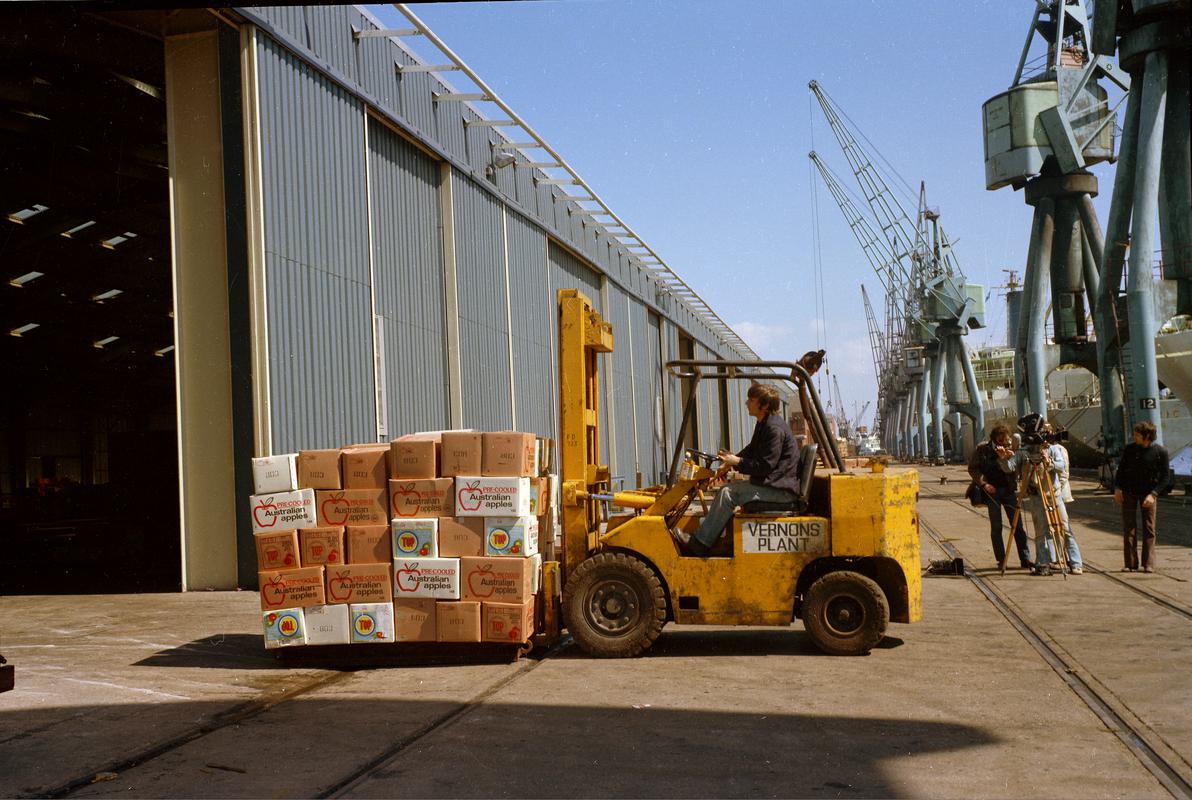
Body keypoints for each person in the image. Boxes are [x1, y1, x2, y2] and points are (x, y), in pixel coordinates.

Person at [684, 384, 800, 557]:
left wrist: (736, 461)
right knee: (726, 491)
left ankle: (700, 544)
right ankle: (715, 538)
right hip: (775, 485)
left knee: (727, 494)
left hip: (782, 491)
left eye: (751, 400)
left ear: (765, 405)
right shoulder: (764, 424)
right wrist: (729, 464)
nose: (747, 403)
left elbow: (765, 466)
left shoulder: (773, 429)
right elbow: (751, 450)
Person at [1000, 425, 1083, 576]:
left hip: (1054, 495)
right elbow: (1009, 468)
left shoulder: (1052, 449)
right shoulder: (1023, 452)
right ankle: (1043, 563)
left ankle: (1076, 563)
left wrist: (1048, 461)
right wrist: (1003, 458)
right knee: (1041, 531)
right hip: (1036, 496)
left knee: (1064, 528)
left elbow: (1061, 466)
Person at [967, 424, 1033, 569]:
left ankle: (1025, 558)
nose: (1004, 443)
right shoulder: (982, 449)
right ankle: (1001, 559)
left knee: (1018, 526)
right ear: (995, 439)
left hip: (1008, 490)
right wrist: (983, 484)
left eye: (1006, 440)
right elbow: (973, 468)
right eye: (1001, 441)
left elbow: (1016, 467)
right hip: (992, 492)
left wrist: (1009, 459)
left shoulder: (1011, 449)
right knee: (996, 527)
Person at [1114, 421, 1172, 572]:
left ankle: (1148, 564)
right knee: (1129, 528)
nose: (1134, 437)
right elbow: (1121, 470)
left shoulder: (1160, 452)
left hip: (1149, 494)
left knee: (1149, 528)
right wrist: (1118, 488)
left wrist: (1154, 494)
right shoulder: (1130, 450)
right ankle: (1130, 564)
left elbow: (1166, 477)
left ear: (1147, 436)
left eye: (1137, 435)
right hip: (1129, 492)